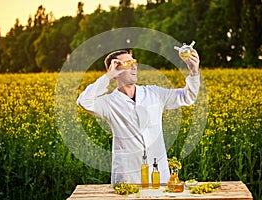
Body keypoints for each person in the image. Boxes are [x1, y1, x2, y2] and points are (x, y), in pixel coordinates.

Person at [77, 49, 200, 185]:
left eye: (134, 62)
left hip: (158, 175)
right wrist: (108, 76)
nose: (134, 66)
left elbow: (187, 97)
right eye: (128, 63)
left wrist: (194, 72)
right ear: (116, 70)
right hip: (128, 176)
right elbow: (83, 102)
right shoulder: (109, 103)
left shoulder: (154, 93)